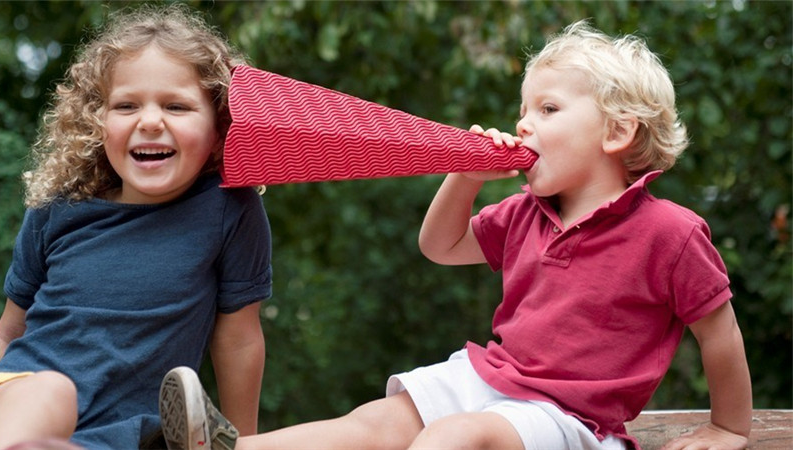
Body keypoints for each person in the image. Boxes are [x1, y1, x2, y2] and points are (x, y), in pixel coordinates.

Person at [159, 19, 752, 450]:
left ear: (619, 132)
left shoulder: (670, 233)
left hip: (571, 421)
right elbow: (439, 246)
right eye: (523, 109)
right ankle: (229, 449)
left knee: (453, 438)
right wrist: (464, 177)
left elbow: (720, 334)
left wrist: (729, 428)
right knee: (375, 423)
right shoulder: (526, 211)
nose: (522, 123)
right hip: (490, 378)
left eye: (547, 109)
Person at [0, 4, 272, 449]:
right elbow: (9, 330)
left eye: (176, 106)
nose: (149, 121)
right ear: (96, 120)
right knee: (52, 391)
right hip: (17, 399)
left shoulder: (226, 209)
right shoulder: (59, 206)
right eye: (126, 105)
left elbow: (239, 338)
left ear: (220, 126)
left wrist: (246, 443)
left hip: (118, 435)